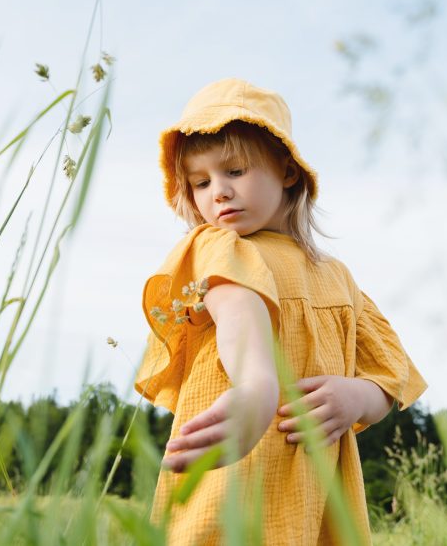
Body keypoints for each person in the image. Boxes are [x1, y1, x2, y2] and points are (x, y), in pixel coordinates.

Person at [134, 78, 428, 545]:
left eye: (234, 170)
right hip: (235, 466)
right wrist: (254, 387)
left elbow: (389, 376)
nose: (219, 193)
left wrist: (356, 397)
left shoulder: (337, 277)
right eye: (201, 182)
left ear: (287, 172)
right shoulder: (214, 246)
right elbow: (237, 311)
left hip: (315, 495)